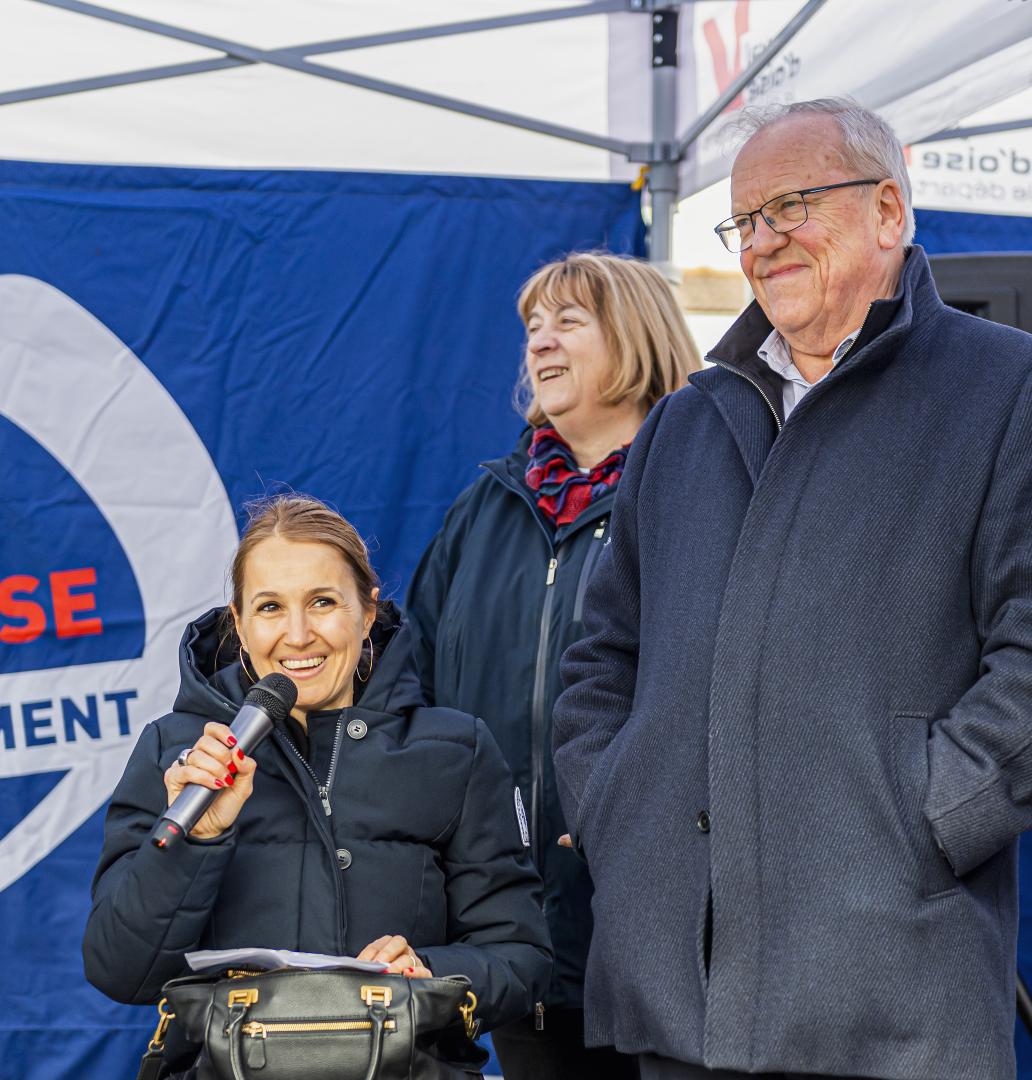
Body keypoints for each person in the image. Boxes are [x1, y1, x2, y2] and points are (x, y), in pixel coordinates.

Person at [552, 97, 1032, 1080]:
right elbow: (601, 657)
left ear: (888, 210)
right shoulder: (684, 423)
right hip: (678, 1000)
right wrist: (615, 806)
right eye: (744, 220)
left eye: (791, 206)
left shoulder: (1006, 388)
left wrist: (927, 818)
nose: (762, 241)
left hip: (897, 996)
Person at [83, 494, 552, 1077]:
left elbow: (521, 957)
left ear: (368, 611)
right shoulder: (178, 752)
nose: (298, 634)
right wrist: (195, 840)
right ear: (239, 624)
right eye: (270, 607)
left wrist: (431, 973)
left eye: (322, 602)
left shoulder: (456, 750)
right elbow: (120, 970)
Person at [406, 252, 700, 1078]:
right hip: (513, 927)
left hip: (657, 926)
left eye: (569, 321)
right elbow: (412, 679)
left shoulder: (695, 491)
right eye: (533, 326)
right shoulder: (485, 508)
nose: (540, 342)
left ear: (637, 338)